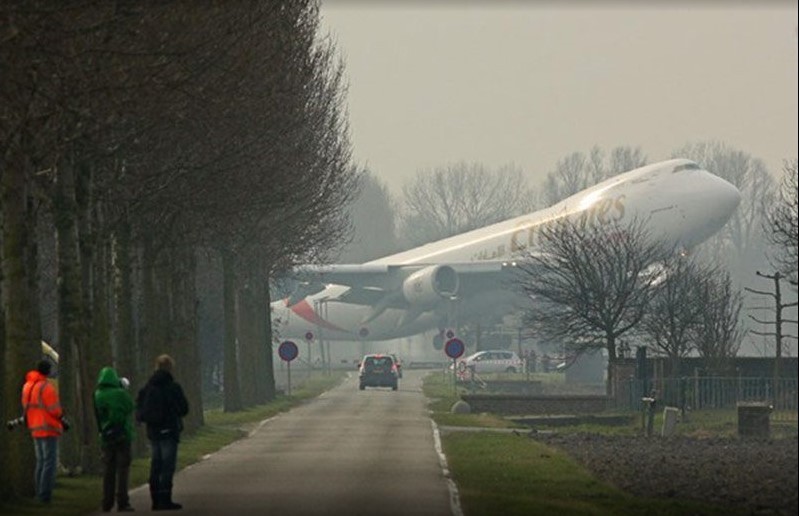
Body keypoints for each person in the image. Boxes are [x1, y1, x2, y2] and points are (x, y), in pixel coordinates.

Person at [136, 354, 189, 511]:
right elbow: (184, 408)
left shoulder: (147, 388)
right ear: (170, 368)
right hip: (170, 430)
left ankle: (155, 500)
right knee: (167, 466)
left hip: (153, 431)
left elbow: (140, 408)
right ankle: (165, 499)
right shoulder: (173, 387)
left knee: (156, 464)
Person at [21, 359, 64, 504]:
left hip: (34, 427)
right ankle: (44, 495)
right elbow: (55, 410)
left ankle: (37, 492)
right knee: (49, 462)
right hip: (48, 428)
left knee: (40, 462)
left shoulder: (27, 386)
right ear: (48, 371)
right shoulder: (46, 387)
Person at [94, 366, 135, 512]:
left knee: (108, 471)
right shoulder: (120, 394)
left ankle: (107, 502)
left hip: (106, 436)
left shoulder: (97, 394)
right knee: (123, 470)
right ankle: (122, 501)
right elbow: (130, 407)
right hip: (122, 434)